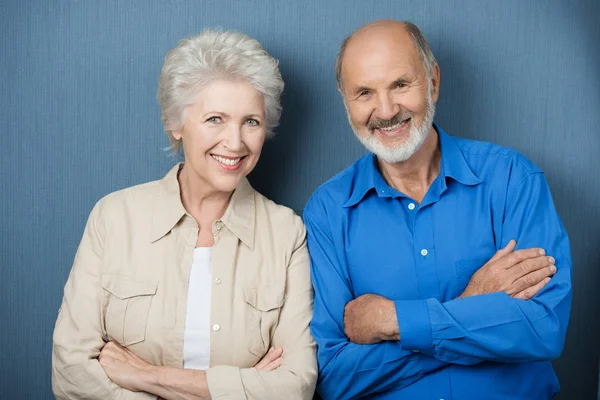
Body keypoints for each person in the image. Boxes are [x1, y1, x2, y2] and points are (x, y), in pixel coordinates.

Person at [304, 20, 571, 399]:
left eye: (400, 84)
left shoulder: (513, 179)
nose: (385, 110)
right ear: (345, 100)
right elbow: (335, 377)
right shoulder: (328, 211)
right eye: (364, 92)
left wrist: (394, 321)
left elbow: (542, 328)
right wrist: (472, 305)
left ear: (433, 81)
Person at [52, 29, 317, 400]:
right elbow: (71, 372)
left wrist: (150, 377)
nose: (235, 142)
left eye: (251, 122)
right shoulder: (114, 218)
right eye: (215, 119)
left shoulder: (287, 233)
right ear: (175, 123)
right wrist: (238, 388)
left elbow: (294, 386)